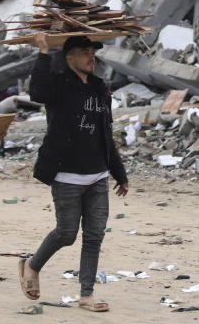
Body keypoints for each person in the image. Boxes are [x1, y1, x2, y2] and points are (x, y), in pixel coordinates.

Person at [19, 32, 128, 312]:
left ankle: (86, 295)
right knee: (66, 234)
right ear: (69, 58)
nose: (91, 56)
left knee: (94, 235)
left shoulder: (100, 87)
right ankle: (32, 265)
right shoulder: (58, 85)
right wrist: (43, 53)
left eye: (92, 52)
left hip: (98, 175)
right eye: (84, 52)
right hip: (66, 174)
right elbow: (36, 93)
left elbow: (106, 133)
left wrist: (119, 173)